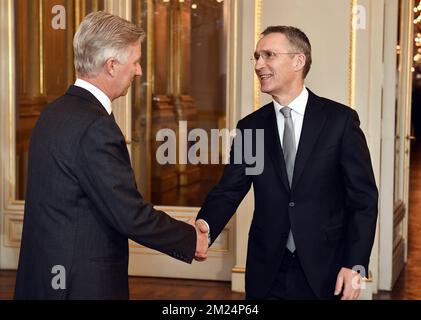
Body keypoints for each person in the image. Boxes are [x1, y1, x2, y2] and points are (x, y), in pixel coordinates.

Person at [14, 11, 208, 300]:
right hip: (81, 284)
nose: (139, 71)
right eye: (136, 61)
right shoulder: (95, 126)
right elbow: (128, 214)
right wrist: (190, 238)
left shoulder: (53, 112)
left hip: (46, 276)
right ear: (112, 65)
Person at [195, 26, 378, 300]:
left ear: (298, 61)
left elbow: (363, 200)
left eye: (269, 55)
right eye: (256, 57)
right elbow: (230, 189)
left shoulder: (340, 121)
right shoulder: (251, 127)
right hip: (267, 269)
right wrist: (206, 224)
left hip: (326, 268)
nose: (258, 65)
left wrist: (355, 265)